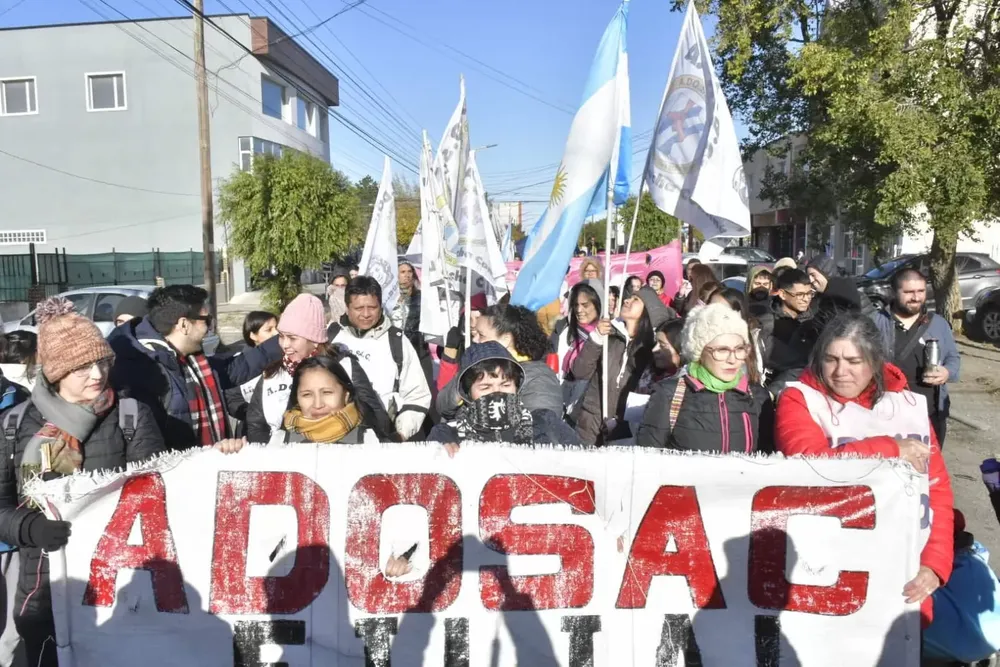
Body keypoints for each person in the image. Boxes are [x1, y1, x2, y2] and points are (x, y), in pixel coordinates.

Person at [0, 296, 166, 667]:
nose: (97, 375)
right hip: (42, 591)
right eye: (81, 367)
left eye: (102, 362)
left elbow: (155, 501)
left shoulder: (131, 416)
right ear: (56, 372)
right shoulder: (13, 425)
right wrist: (30, 527)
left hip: (119, 590)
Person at [774, 313, 953, 626]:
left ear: (874, 361)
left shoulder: (907, 405)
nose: (841, 372)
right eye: (831, 359)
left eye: (853, 361)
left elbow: (936, 489)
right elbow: (810, 466)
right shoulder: (800, 399)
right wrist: (890, 448)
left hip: (902, 571)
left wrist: (935, 564)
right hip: (827, 571)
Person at [109, 284, 282, 449]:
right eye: (206, 320)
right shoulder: (140, 370)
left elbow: (237, 368)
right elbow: (145, 445)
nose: (209, 328)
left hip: (208, 462)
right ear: (184, 325)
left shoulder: (190, 359)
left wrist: (284, 339)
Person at [636, 303, 773, 452]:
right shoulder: (670, 393)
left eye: (740, 349)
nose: (733, 359)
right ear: (699, 352)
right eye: (722, 350)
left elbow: (766, 457)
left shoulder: (757, 396)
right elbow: (647, 458)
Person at [327, 276, 431, 441]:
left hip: (384, 439)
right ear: (347, 307)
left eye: (372, 307)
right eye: (359, 308)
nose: (366, 314)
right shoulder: (331, 337)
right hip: (336, 437)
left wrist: (400, 434)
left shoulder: (396, 340)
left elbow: (417, 394)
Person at [429, 342, 580, 453]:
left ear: (517, 386)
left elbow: (586, 462)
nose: (497, 392)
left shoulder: (546, 423)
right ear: (467, 392)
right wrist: (439, 449)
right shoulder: (448, 433)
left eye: (505, 385)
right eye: (486, 387)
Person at [571, 287, 672, 445]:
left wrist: (621, 425)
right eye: (628, 298)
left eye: (635, 300)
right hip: (590, 424)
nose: (626, 300)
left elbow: (645, 398)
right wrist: (596, 338)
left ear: (648, 311)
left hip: (624, 434)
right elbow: (580, 372)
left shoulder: (652, 350)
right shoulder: (608, 336)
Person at [871, 268, 959, 446]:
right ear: (894, 292)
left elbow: (953, 358)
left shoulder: (938, 324)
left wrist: (947, 372)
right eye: (909, 292)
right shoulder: (876, 322)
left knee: (929, 469)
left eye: (921, 291)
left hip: (930, 414)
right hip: (885, 413)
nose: (916, 297)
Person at [438, 304, 563, 420]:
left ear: (505, 339)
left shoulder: (539, 377)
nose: (475, 340)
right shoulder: (476, 366)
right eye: (474, 334)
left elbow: (542, 424)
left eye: (481, 335)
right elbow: (443, 408)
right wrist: (462, 384)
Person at [245, 295, 328, 443]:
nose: (285, 344)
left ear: (315, 341)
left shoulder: (340, 368)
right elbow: (256, 423)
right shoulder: (272, 372)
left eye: (292, 338)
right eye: (282, 336)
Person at [758, 268, 816, 388]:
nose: (806, 299)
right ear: (783, 294)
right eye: (799, 294)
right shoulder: (767, 322)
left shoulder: (815, 322)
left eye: (809, 293)